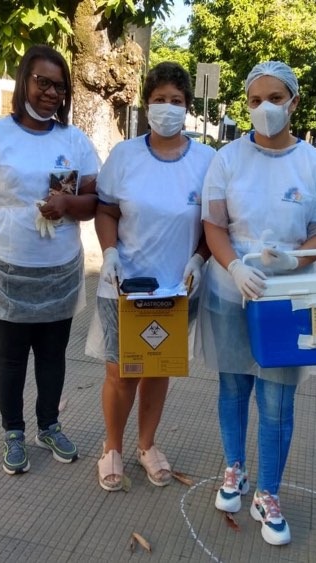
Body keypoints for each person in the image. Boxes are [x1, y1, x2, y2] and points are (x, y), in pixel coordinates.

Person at [196, 61, 316, 545]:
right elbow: (213, 224)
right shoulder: (227, 159)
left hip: (287, 298)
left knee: (277, 399)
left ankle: (269, 492)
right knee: (234, 386)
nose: (265, 109)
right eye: (255, 100)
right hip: (231, 290)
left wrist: (292, 262)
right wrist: (235, 266)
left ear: (294, 102)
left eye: (275, 98)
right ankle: (234, 469)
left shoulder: (314, 165)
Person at [0, 45, 100, 475]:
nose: (51, 93)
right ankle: (13, 432)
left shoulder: (74, 141)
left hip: (59, 269)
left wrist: (68, 206)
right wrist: (8, 223)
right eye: (43, 82)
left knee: (53, 354)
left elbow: (93, 201)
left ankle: (49, 425)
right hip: (8, 268)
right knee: (11, 356)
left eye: (59, 86)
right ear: (24, 83)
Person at [85, 62, 216, 492]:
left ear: (188, 109)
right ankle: (112, 448)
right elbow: (105, 209)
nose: (167, 108)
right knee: (121, 372)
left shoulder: (206, 161)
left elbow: (216, 224)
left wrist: (199, 259)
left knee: (158, 369)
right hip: (124, 285)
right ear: (146, 106)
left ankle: (147, 445)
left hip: (177, 288)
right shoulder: (125, 157)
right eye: (159, 100)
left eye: (176, 101)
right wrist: (108, 254)